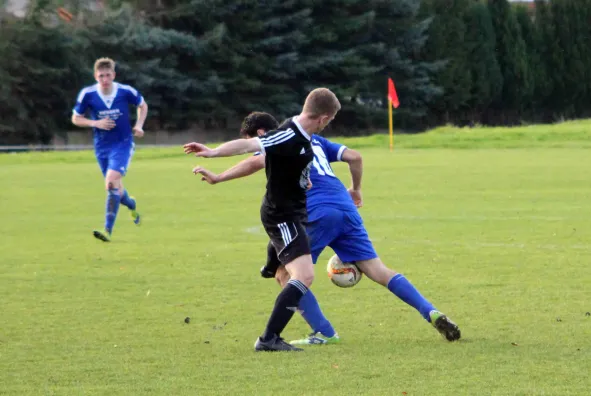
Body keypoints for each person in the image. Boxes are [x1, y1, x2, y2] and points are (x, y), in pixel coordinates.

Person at [192, 111, 461, 345]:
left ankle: (324, 332)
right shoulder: (316, 139)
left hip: (316, 212)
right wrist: (355, 190)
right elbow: (354, 156)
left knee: (286, 273)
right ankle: (431, 312)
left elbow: (254, 161)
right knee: (379, 271)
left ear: (260, 134)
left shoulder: (279, 140)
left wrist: (218, 176)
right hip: (346, 208)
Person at [184, 88, 342, 352]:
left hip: (292, 211)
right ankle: (269, 338)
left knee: (290, 271)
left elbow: (283, 163)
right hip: (282, 215)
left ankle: (272, 264)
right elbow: (249, 146)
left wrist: (303, 179)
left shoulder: (301, 133)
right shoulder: (288, 134)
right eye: (330, 121)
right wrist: (212, 152)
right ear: (323, 118)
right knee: (303, 277)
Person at [71, 57, 148, 242]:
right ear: (95, 76)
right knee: (115, 188)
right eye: (101, 76)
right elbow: (76, 118)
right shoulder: (88, 94)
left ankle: (107, 230)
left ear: (113, 75)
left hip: (123, 143)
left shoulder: (124, 91)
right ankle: (131, 204)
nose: (104, 79)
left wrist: (139, 125)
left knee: (111, 183)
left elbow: (142, 105)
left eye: (108, 75)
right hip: (101, 147)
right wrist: (95, 122)